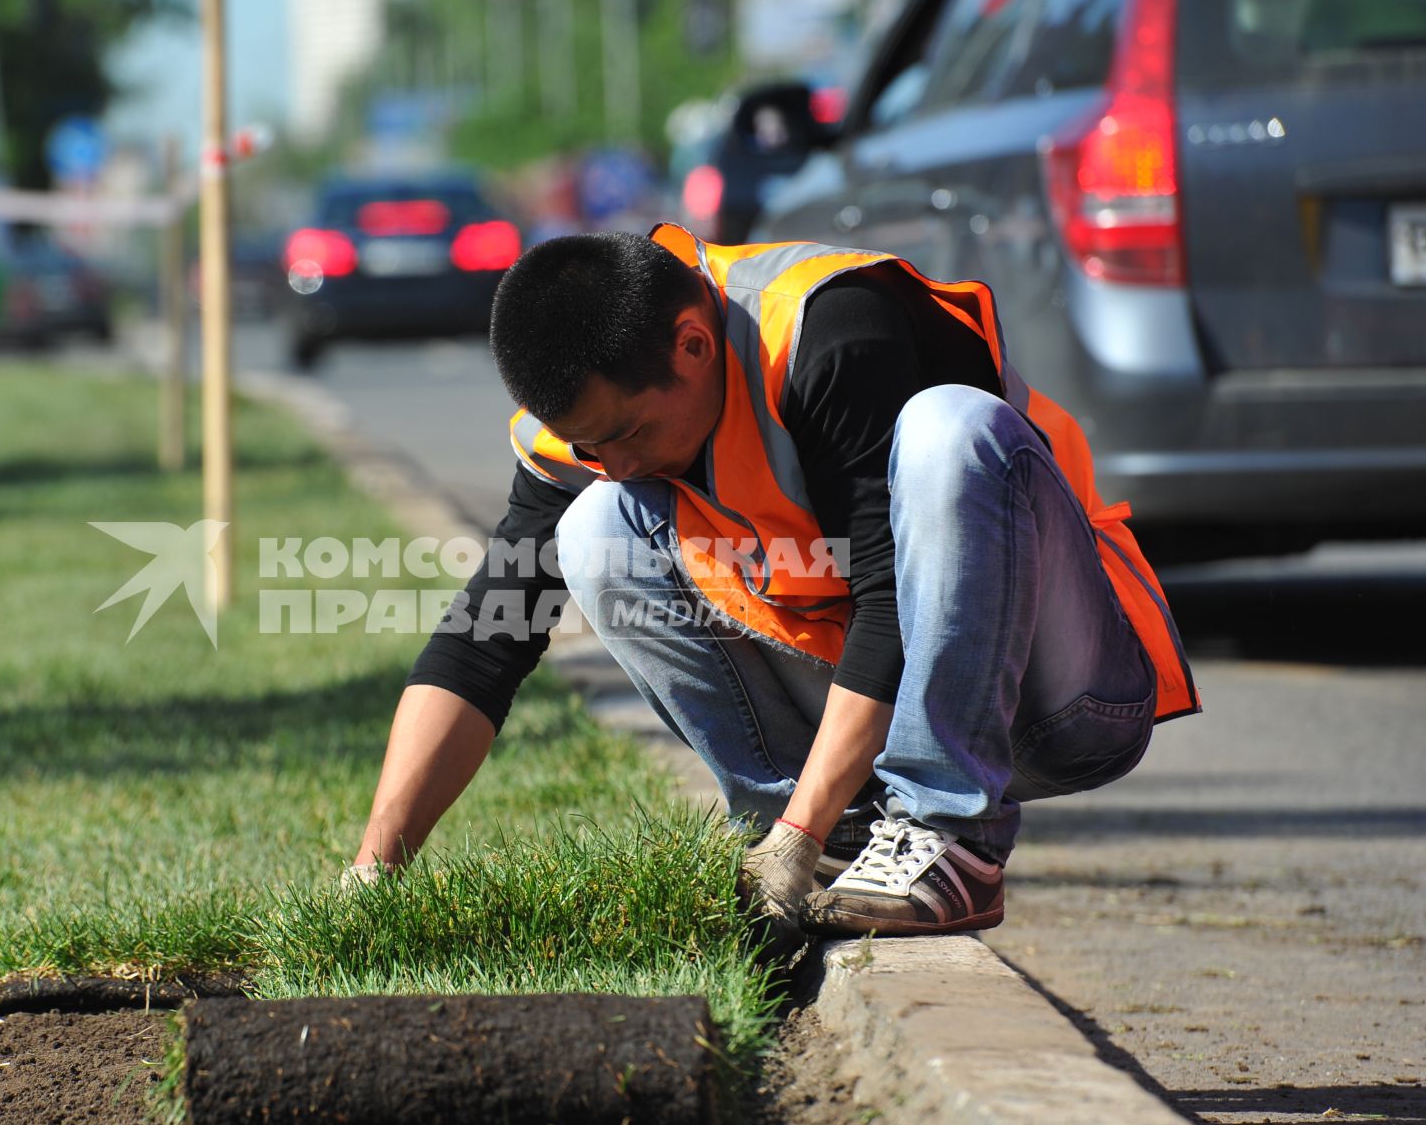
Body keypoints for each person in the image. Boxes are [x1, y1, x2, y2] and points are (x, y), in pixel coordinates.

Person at [348, 225, 1199, 935]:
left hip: (1064, 699)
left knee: (951, 426)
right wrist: (375, 868)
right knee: (594, 529)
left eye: (629, 432)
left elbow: (895, 604)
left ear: (693, 342)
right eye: (590, 445)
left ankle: (946, 835)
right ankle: (836, 837)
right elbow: (485, 638)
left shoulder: (829, 330)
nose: (614, 461)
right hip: (872, 718)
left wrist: (799, 831)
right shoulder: (597, 435)